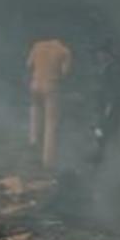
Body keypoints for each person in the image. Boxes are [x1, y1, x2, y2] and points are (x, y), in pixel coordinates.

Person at [27, 37, 73, 168]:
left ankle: (33, 141)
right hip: (51, 87)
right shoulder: (64, 51)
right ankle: (48, 160)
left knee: (35, 115)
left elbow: (29, 65)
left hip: (35, 85)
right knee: (51, 123)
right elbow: (65, 73)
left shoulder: (37, 45)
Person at [91, 40, 120, 165]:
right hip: (102, 104)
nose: (98, 56)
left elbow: (114, 90)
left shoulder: (113, 69)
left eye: (100, 54)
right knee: (99, 129)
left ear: (107, 54)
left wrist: (109, 106)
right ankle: (99, 153)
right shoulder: (104, 67)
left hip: (109, 105)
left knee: (104, 129)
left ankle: (103, 156)